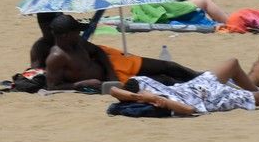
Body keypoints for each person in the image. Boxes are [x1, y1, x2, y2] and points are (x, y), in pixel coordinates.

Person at [44, 14, 197, 90]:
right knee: (164, 80)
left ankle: (203, 76)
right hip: (108, 84)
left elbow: (98, 51)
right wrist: (81, 84)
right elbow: (53, 86)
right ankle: (199, 85)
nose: (79, 35)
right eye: (76, 32)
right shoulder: (57, 57)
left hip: (113, 70)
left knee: (168, 66)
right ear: (65, 35)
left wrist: (111, 73)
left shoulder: (78, 43)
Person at [109, 58, 259, 115]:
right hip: (208, 99)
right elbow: (188, 109)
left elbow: (113, 90)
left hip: (196, 85)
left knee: (232, 63)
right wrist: (153, 98)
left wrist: (140, 95)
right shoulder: (159, 102)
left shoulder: (137, 84)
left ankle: (257, 89)